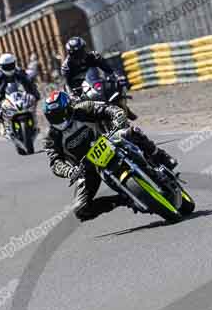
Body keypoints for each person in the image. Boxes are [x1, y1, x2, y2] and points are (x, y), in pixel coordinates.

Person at [42, 90, 177, 221]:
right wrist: (70, 171)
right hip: (86, 167)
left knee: (133, 132)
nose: (57, 119)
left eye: (59, 114)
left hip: (109, 139)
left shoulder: (83, 108)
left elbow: (110, 109)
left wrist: (118, 119)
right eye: (52, 116)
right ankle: (124, 199)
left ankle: (160, 156)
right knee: (80, 209)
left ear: (68, 107)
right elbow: (55, 162)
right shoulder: (50, 136)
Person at [61, 36, 135, 119]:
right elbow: (67, 84)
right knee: (78, 111)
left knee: (116, 90)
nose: (80, 56)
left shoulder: (93, 56)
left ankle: (123, 108)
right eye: (76, 54)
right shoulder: (67, 66)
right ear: (70, 54)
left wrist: (118, 77)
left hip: (93, 85)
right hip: (78, 91)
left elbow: (109, 69)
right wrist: (72, 95)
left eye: (81, 51)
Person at [0, 53, 40, 135]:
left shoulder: (19, 71)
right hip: (3, 95)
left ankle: (34, 121)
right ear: (1, 66)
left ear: (14, 64)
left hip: (18, 94)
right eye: (6, 66)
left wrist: (35, 95)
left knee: (32, 101)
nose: (8, 68)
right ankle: (2, 124)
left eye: (10, 65)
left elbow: (29, 84)